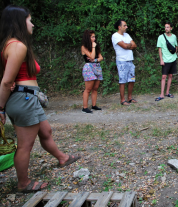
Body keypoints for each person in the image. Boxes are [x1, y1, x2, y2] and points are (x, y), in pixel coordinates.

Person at [0, 5, 80, 193]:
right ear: (20, 22)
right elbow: (6, 82)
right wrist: (1, 108)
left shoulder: (9, 45)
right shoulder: (17, 46)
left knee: (46, 131)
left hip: (27, 98)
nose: (33, 24)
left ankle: (62, 157)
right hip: (24, 99)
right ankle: (23, 183)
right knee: (25, 145)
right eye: (29, 20)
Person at [111, 19, 137, 106]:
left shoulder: (126, 35)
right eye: (124, 25)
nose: (126, 27)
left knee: (132, 79)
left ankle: (129, 98)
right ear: (119, 27)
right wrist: (128, 45)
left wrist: (127, 45)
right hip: (122, 61)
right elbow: (125, 46)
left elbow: (134, 45)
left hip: (130, 60)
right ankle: (122, 100)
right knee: (122, 81)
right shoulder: (115, 36)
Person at [81, 30, 104, 113]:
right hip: (88, 68)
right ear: (88, 38)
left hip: (97, 67)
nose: (94, 38)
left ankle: (94, 105)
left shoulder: (96, 47)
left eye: (94, 36)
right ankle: (85, 107)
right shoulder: (84, 47)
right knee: (88, 88)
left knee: (95, 88)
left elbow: (101, 57)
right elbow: (91, 55)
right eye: (92, 37)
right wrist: (93, 47)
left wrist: (94, 60)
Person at [155, 22, 178, 101]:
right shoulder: (161, 37)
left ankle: (167, 92)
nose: (166, 29)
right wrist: (161, 59)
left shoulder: (174, 36)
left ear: (171, 28)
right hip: (165, 59)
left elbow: (176, 46)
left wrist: (175, 52)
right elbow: (159, 49)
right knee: (164, 76)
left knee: (170, 76)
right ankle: (161, 94)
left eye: (168, 27)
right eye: (165, 27)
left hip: (173, 59)